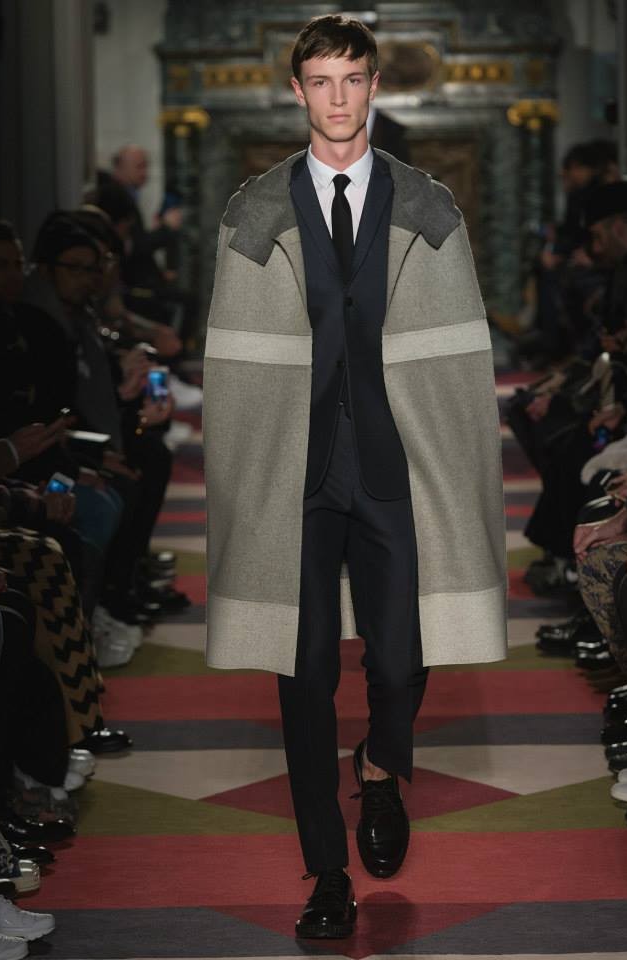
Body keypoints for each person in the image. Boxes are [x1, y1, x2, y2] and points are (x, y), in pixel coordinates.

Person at [202, 13, 506, 939]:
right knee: (301, 678)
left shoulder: (429, 207)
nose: (338, 98)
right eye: (321, 81)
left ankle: (379, 764)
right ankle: (327, 873)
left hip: (394, 462)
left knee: (402, 659)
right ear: (296, 89)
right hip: (293, 471)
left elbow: (459, 357)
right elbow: (234, 365)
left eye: (353, 79)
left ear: (375, 85)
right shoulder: (254, 209)